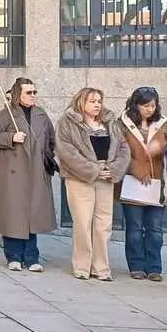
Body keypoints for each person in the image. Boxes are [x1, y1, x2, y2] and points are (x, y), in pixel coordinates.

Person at [56, 87, 130, 281]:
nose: (97, 104)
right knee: (82, 222)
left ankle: (102, 268)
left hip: (106, 177)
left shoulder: (111, 122)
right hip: (80, 178)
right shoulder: (67, 121)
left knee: (103, 224)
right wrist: (92, 169)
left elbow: (123, 148)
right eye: (92, 101)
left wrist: (113, 169)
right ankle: (82, 266)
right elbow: (66, 151)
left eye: (99, 100)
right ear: (82, 102)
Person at [0, 78, 57, 272]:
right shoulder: (6, 114)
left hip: (35, 171)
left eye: (34, 92)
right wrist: (11, 138)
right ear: (18, 94)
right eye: (29, 92)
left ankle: (32, 257)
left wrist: (46, 158)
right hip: (14, 174)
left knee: (32, 216)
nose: (33, 95)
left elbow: (52, 140)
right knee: (14, 216)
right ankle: (14, 256)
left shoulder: (41, 114)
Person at [117, 87, 167, 282]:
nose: (150, 109)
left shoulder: (163, 125)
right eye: (145, 105)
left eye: (153, 105)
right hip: (133, 183)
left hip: (156, 185)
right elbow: (119, 152)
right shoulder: (122, 124)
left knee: (155, 230)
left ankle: (154, 267)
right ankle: (136, 265)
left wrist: (161, 147)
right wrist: (137, 169)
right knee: (134, 229)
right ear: (136, 105)